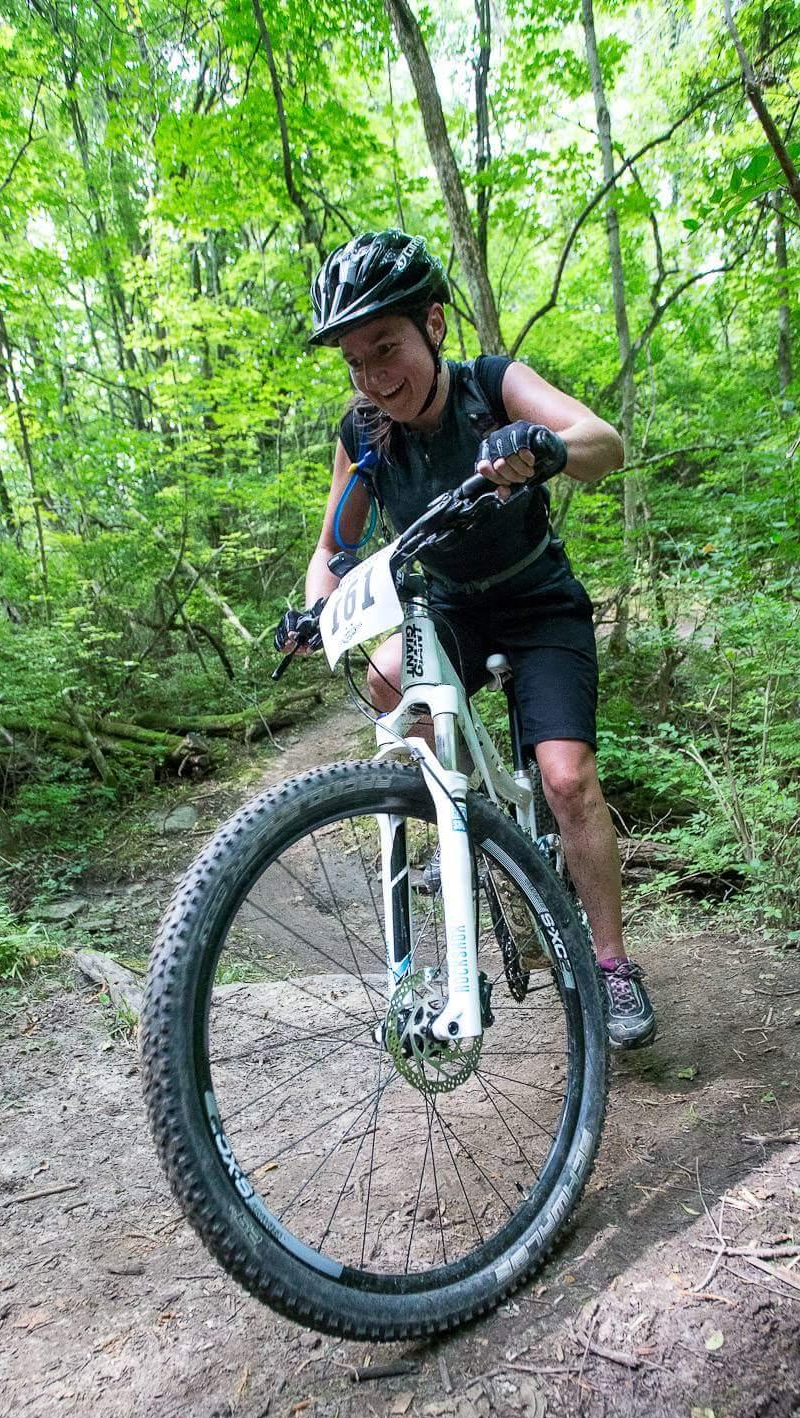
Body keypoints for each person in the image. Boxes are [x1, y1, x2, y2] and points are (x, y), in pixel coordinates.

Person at [275, 230, 655, 1049]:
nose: (375, 377)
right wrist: (314, 609)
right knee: (383, 678)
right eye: (355, 361)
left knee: (566, 780)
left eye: (387, 347)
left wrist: (542, 447)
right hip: (446, 607)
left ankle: (614, 965)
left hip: (536, 603)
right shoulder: (365, 435)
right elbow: (333, 550)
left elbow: (604, 442)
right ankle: (465, 809)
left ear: (434, 327)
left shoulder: (493, 384)